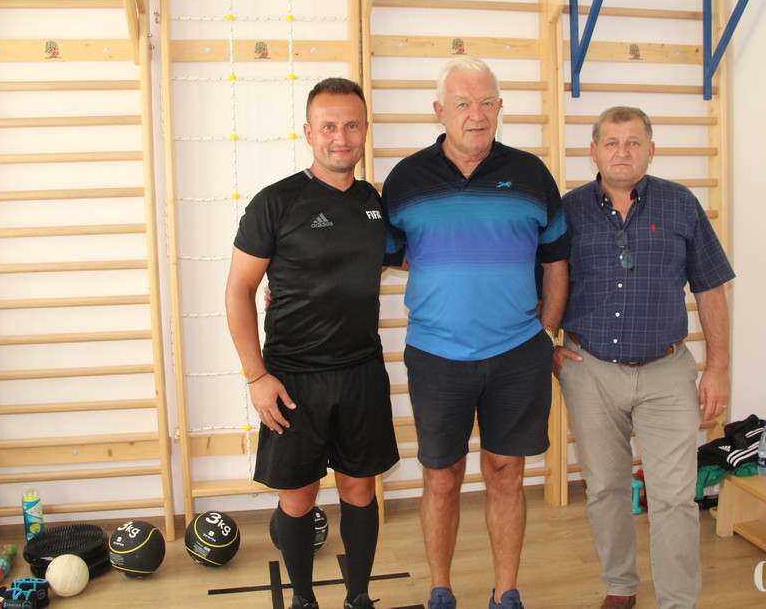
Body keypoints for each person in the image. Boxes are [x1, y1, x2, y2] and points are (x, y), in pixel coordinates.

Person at [382, 58, 570, 609]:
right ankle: (440, 590)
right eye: (463, 103)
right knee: (441, 478)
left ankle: (505, 592)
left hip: (518, 353)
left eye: (487, 102)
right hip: (436, 355)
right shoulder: (405, 179)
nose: (477, 114)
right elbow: (385, 255)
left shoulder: (531, 174)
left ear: (500, 108)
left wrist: (547, 333)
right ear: (439, 111)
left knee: (506, 474)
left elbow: (556, 262)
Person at [225, 78, 399, 609]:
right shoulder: (276, 202)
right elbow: (238, 290)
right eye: (328, 127)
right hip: (293, 379)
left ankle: (358, 597)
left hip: (361, 372)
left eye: (351, 125)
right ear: (308, 133)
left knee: (360, 492)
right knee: (298, 498)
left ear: (365, 130)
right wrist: (257, 377)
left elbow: (402, 259)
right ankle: (303, 600)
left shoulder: (376, 203)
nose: (340, 137)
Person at [554, 106, 735, 609]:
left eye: (633, 142)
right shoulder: (568, 210)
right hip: (589, 372)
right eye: (611, 142)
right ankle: (620, 586)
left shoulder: (681, 204)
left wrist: (719, 368)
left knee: (675, 495)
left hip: (667, 372)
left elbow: (711, 289)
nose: (622, 152)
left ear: (651, 151)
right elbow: (541, 283)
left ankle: (678, 599)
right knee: (604, 489)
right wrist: (548, 345)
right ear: (593, 151)